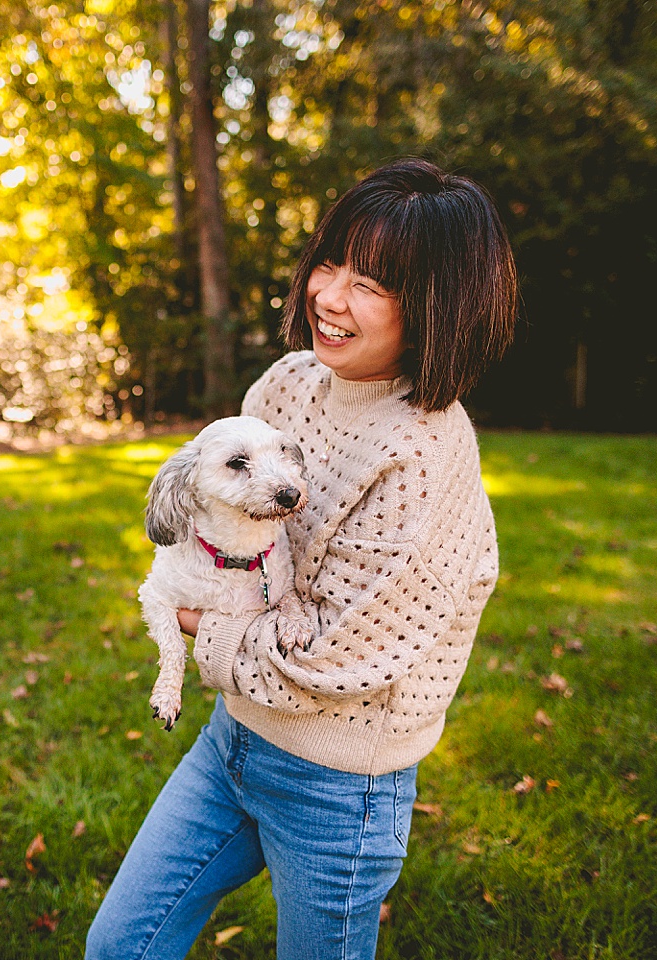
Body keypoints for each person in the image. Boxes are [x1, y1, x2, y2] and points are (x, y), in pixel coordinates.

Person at [86, 158, 518, 959]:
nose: (329, 295)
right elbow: (216, 524)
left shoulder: (420, 454)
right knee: (120, 947)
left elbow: (332, 662)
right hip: (232, 743)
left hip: (339, 786)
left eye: (372, 283)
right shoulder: (286, 384)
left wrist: (188, 622)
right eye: (331, 262)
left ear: (435, 308)